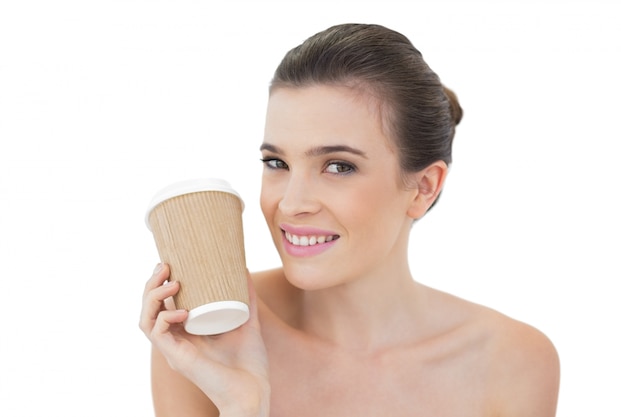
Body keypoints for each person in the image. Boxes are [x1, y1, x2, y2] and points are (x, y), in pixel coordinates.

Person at [139, 23, 560, 417]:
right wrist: (244, 404)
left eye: (338, 166)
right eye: (277, 162)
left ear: (424, 187)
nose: (290, 203)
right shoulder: (205, 339)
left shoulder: (513, 360)